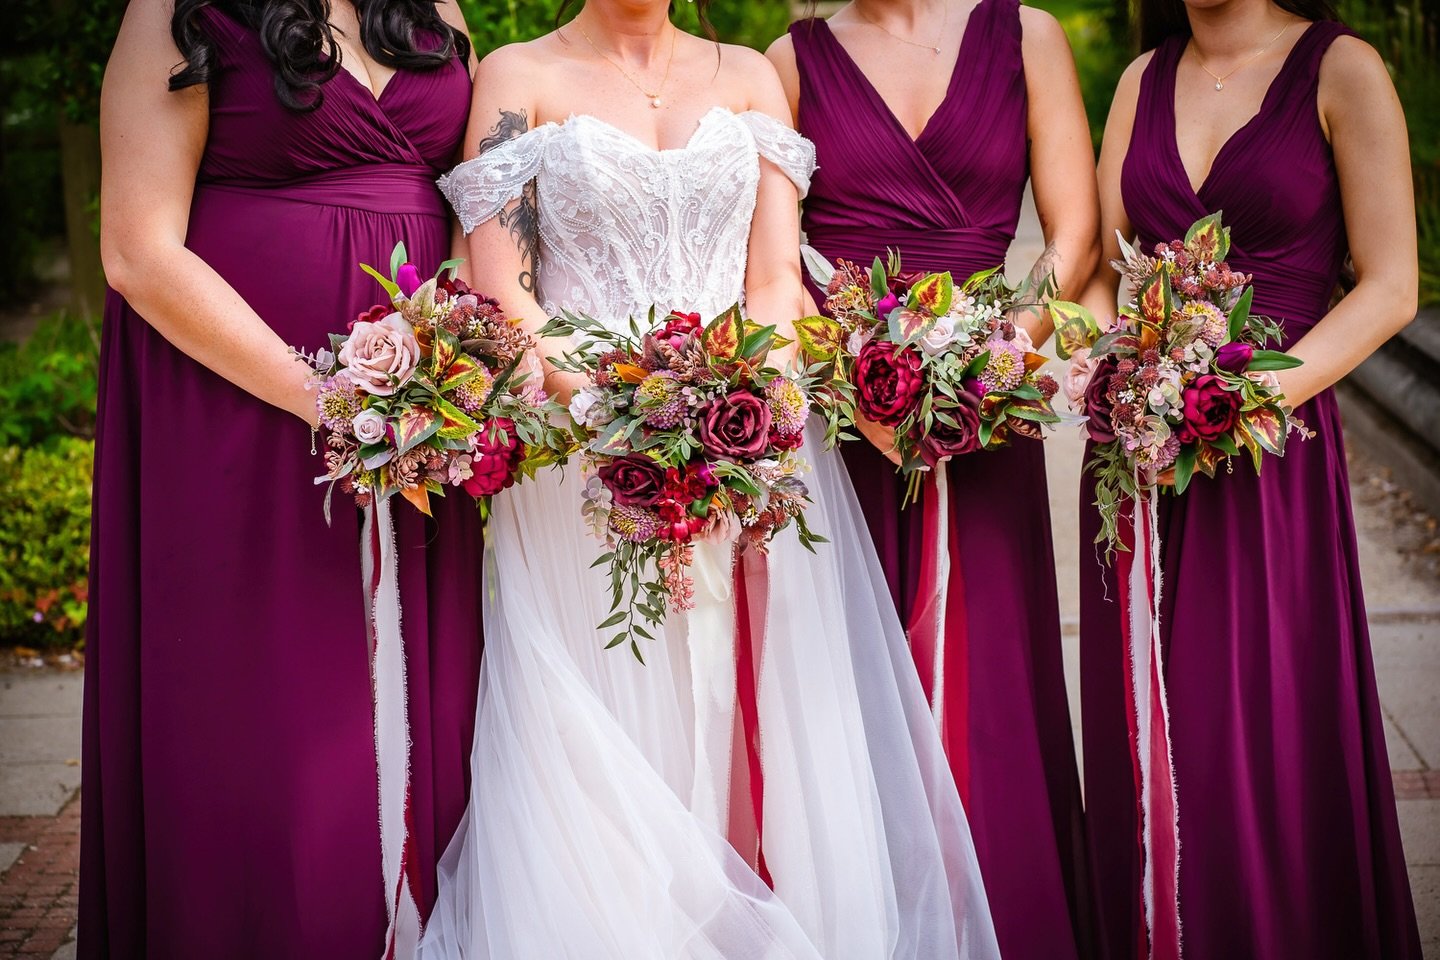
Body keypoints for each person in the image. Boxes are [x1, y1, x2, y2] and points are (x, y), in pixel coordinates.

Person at [418, 1, 1001, 956]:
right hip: (583, 459)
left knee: (745, 707)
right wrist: (634, 415)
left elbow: (774, 280)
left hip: (743, 441)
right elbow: (507, 298)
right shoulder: (519, 76)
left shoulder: (750, 77)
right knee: (611, 711)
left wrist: (738, 407)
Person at [82, 2, 483, 955]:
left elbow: (471, 199)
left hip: (423, 419)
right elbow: (137, 250)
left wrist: (456, 363)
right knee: (266, 719)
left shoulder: (433, 6)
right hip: (239, 407)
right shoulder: (180, 10)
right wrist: (330, 403)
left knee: (418, 711)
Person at [1076, 0, 1423, 955]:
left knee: (1251, 731)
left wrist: (1246, 399)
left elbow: (1391, 285)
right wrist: (1091, 360)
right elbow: (1106, 270)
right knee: (1150, 729)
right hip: (1138, 454)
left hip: (1270, 456)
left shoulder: (1343, 70)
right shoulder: (1142, 81)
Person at [768, 3, 1099, 957]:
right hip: (851, 418)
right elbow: (775, 259)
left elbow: (1074, 236)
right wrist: (855, 377)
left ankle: (1009, 913)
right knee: (846, 677)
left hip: (989, 409)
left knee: (992, 670)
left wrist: (987, 362)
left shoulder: (1027, 37)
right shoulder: (792, 62)